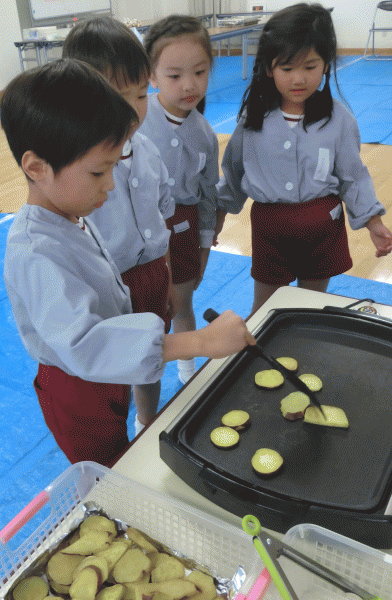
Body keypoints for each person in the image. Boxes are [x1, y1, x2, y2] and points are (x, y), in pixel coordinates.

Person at [0, 59, 255, 468]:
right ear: (36, 167)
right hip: (77, 388)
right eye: (99, 172)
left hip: (104, 374)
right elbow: (86, 345)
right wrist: (200, 342)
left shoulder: (69, 214)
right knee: (104, 469)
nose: (109, 185)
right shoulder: (35, 253)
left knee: (118, 448)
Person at [215, 4, 392, 315]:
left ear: (326, 64)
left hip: (322, 228)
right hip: (270, 228)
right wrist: (217, 215)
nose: (298, 79)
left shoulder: (339, 119)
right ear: (269, 68)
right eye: (286, 69)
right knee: (265, 309)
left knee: (310, 308)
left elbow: (353, 176)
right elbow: (234, 172)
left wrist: (373, 222)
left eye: (310, 67)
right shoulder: (253, 119)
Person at [61, 16, 174, 434]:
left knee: (153, 356)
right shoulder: (78, 168)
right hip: (108, 286)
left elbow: (163, 208)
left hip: (151, 273)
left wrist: (166, 277)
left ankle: (147, 419)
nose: (132, 109)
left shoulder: (147, 149)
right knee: (112, 372)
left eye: (141, 94)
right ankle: (119, 430)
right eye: (116, 96)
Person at [139, 15, 223, 384]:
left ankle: (187, 373)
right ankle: (144, 378)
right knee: (146, 311)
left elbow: (208, 196)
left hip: (184, 229)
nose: (189, 85)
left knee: (182, 303)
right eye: (174, 75)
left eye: (199, 72)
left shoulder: (205, 134)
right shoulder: (135, 120)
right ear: (152, 76)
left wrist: (204, 245)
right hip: (141, 234)